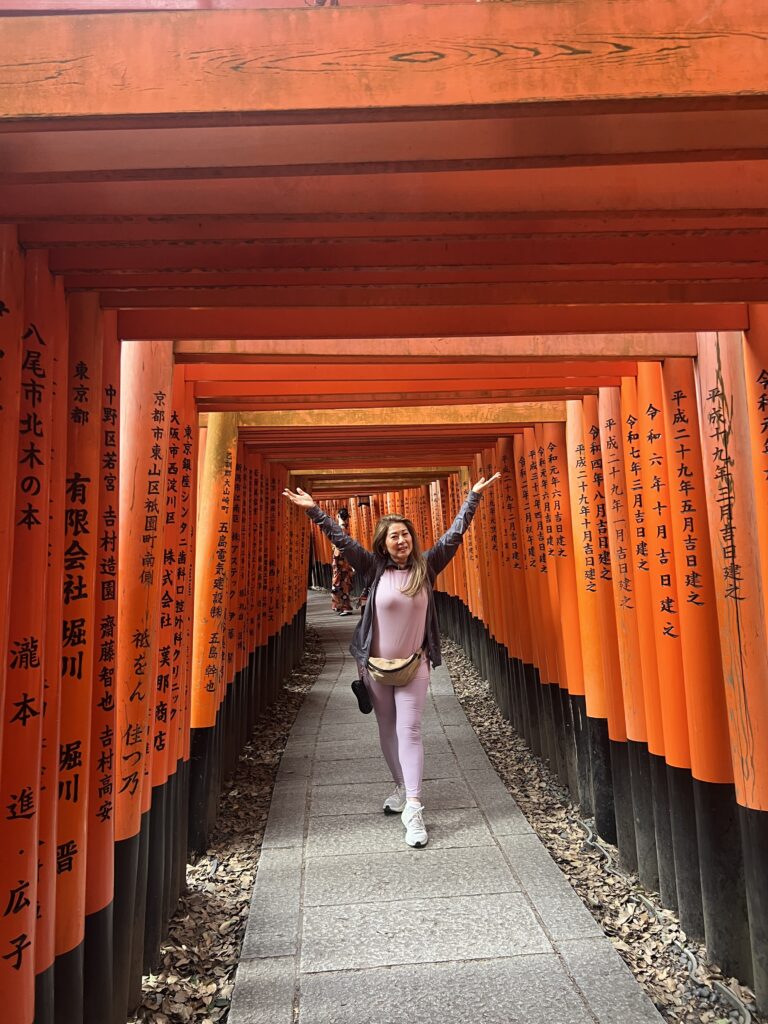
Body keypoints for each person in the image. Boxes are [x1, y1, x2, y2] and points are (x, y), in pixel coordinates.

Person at [283, 474, 500, 848]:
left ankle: (414, 808)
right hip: (376, 669)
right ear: (383, 544)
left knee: (410, 730)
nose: (402, 540)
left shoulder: (426, 567)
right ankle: (401, 786)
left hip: (415, 665)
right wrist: (315, 512)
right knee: (387, 728)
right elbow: (342, 540)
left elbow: (454, 536)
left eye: (406, 534)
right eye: (394, 536)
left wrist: (472, 498)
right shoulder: (372, 569)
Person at [330, 508, 354, 615]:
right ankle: (342, 605)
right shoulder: (345, 528)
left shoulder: (340, 529)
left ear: (338, 516)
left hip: (340, 558)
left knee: (340, 583)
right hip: (344, 559)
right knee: (344, 582)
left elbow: (339, 546)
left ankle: (343, 606)